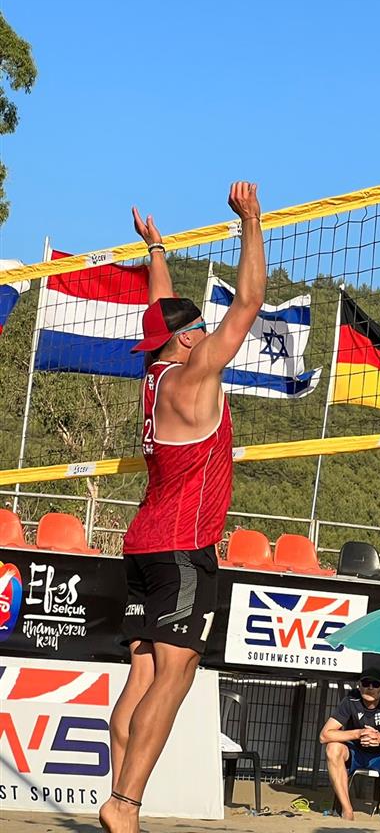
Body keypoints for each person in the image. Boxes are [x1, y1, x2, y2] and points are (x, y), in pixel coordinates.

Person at [100, 183, 265, 833]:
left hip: (144, 543)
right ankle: (125, 804)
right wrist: (251, 221)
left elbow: (160, 310)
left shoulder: (156, 375)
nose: (206, 334)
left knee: (141, 679)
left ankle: (119, 800)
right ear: (189, 342)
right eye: (199, 329)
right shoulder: (196, 379)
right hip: (181, 549)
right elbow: (248, 303)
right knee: (175, 675)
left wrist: (157, 250)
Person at [320, 669, 380, 820]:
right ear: (359, 685)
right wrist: (358, 733)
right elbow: (324, 735)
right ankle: (347, 810)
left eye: (375, 684)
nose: (370, 687)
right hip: (355, 753)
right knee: (332, 748)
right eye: (365, 683)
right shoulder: (351, 699)